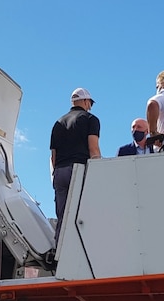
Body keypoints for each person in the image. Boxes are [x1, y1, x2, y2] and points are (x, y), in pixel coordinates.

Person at [50, 87, 101, 242]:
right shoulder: (91, 119)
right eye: (90, 103)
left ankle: (60, 250)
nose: (90, 107)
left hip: (59, 172)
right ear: (85, 101)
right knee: (82, 215)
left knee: (62, 215)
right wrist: (99, 172)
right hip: (78, 170)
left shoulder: (58, 123)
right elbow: (93, 148)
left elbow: (53, 156)